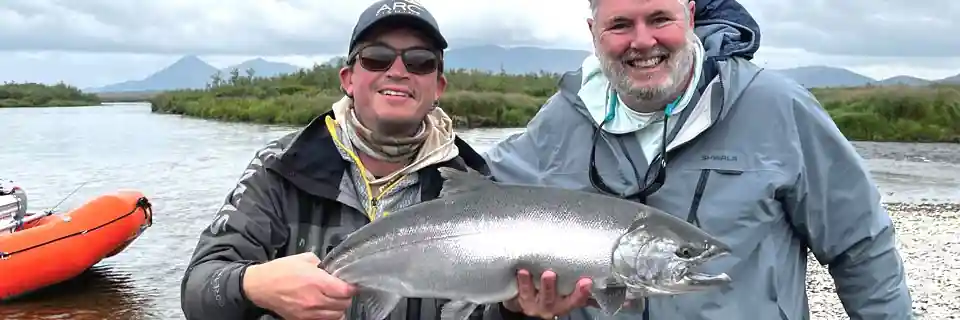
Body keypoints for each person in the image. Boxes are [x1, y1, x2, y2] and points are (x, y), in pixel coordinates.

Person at [482, 0, 914, 319]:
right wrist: (512, 307)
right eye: (619, 25)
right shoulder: (562, 118)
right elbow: (470, 200)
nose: (642, 41)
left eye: (659, 19)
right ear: (593, 32)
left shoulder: (776, 106)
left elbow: (860, 245)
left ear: (690, 16)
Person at [180, 1, 592, 319]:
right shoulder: (280, 167)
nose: (398, 71)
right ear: (348, 79)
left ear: (438, 87)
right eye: (377, 57)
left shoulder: (471, 182)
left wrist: (515, 312)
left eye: (419, 62)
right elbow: (198, 291)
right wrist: (252, 284)